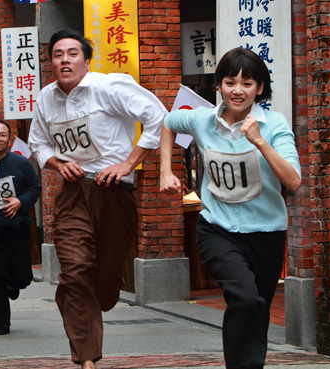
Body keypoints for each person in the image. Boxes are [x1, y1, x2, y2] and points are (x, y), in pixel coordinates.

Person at [28, 28, 166, 369]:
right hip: (74, 193)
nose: (65, 60)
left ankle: (108, 284)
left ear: (86, 60)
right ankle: (87, 358)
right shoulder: (45, 98)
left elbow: (157, 116)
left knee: (103, 285)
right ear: (51, 62)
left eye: (72, 53)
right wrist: (59, 163)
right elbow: (38, 143)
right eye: (58, 54)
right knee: (74, 273)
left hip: (114, 192)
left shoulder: (109, 86)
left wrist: (128, 163)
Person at [159, 47, 301, 369]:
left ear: (260, 88)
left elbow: (293, 181)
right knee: (245, 297)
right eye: (230, 82)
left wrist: (260, 142)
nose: (238, 90)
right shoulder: (202, 120)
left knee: (257, 308)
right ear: (219, 85)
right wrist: (167, 171)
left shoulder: (274, 125)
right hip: (217, 229)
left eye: (247, 83)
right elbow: (168, 123)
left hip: (266, 233)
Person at [0, 120, 41, 336]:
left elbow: (36, 187)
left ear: (9, 140)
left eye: (3, 135)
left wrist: (21, 202)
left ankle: (13, 284)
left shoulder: (21, 163)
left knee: (22, 276)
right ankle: (0, 323)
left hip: (16, 228)